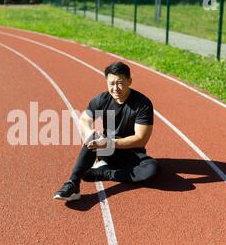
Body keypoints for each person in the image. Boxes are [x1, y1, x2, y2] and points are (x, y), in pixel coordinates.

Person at [53, 61, 159, 201]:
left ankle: (105, 173)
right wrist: (88, 132)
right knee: (93, 137)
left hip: (130, 151)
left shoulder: (142, 104)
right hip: (106, 151)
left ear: (130, 81)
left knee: (151, 169)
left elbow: (141, 139)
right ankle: (73, 184)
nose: (115, 88)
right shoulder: (102, 99)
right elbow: (84, 120)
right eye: (111, 83)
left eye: (120, 83)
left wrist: (109, 142)